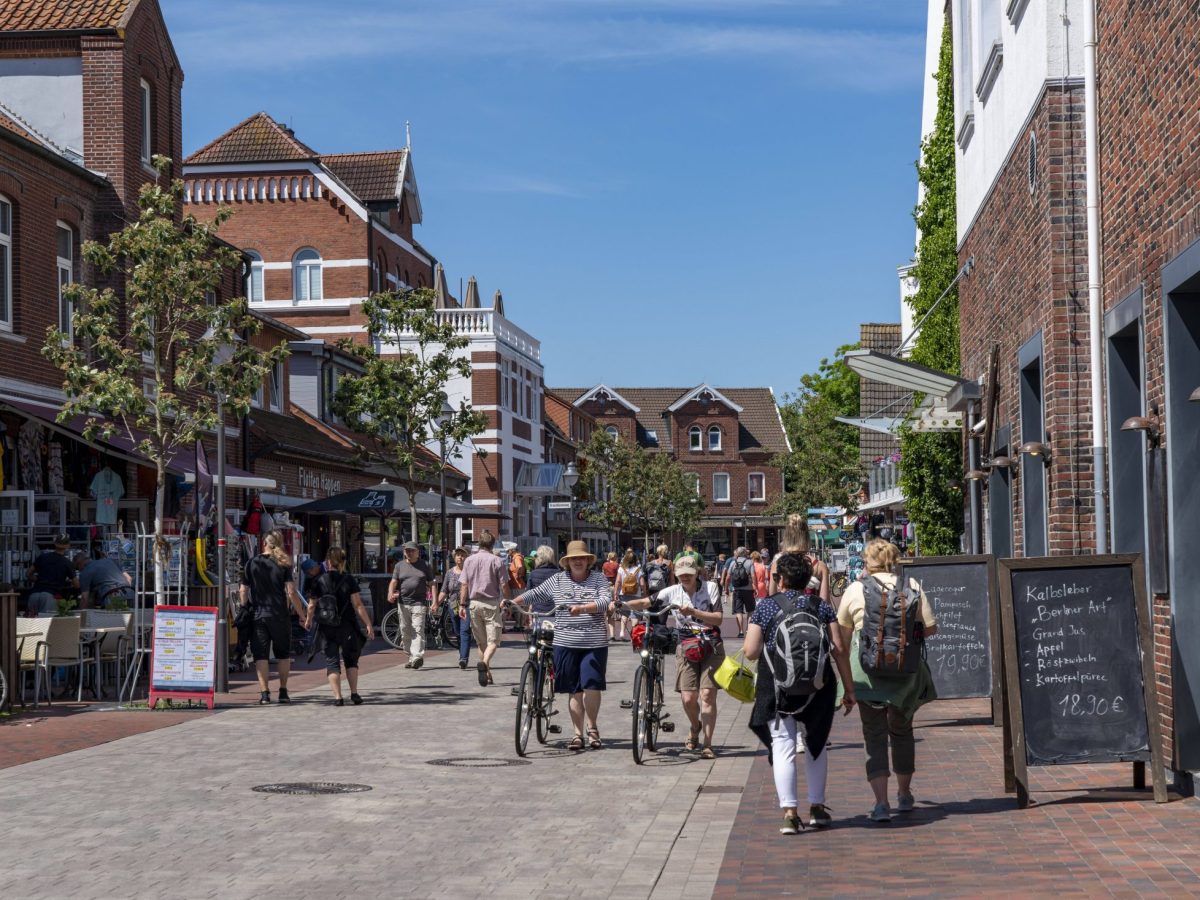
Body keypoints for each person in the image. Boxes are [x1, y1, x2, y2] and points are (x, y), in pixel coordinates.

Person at [744, 553, 855, 834]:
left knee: (783, 745)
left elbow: (750, 651)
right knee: (816, 744)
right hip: (818, 685)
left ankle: (790, 813)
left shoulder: (767, 607)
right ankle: (817, 807)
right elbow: (839, 649)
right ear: (808, 580)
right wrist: (849, 690)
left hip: (777, 686)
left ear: (779, 580)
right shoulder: (821, 606)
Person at [836, 539, 938, 822]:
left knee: (874, 735)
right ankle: (904, 795)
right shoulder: (912, 586)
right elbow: (931, 628)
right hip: (905, 674)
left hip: (867, 675)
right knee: (903, 731)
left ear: (867, 561)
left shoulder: (856, 589)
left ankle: (881, 803)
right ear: (894, 560)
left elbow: (841, 639)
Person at [511, 540, 613, 750]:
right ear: (567, 562)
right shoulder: (557, 579)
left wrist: (583, 608)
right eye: (573, 558)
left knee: (591, 687)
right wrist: (514, 602)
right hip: (565, 641)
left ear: (588, 561)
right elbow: (536, 593)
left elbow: (605, 600)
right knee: (573, 689)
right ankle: (577, 734)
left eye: (581, 558)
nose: (578, 561)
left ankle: (592, 728)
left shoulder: (598, 579)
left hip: (593, 641)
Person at [636, 556, 724, 758]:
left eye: (689, 574)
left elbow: (718, 618)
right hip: (686, 646)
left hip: (711, 644)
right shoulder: (672, 591)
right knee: (688, 697)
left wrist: (694, 611)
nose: (685, 577)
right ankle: (695, 727)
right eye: (681, 574)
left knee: (708, 695)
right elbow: (646, 601)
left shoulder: (710, 588)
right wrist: (619, 604)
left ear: (697, 573)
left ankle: (708, 745)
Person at [239, 530, 307, 704]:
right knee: (283, 654)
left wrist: (245, 607)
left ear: (264, 543)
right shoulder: (283, 564)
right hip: (280, 615)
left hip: (258, 615)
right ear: (279, 543)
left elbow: (243, 590)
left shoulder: (251, 563)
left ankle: (264, 694)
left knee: (260, 655)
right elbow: (291, 592)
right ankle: (283, 692)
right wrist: (302, 615)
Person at [303, 547, 373, 706]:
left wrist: (308, 620)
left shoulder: (319, 581)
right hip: (347, 624)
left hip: (327, 626)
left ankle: (338, 697)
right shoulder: (348, 579)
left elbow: (312, 605)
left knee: (332, 661)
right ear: (343, 562)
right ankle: (354, 694)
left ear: (328, 562)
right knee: (351, 660)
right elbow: (358, 604)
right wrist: (368, 624)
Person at [459, 530, 511, 686]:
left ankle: (487, 673)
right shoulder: (497, 561)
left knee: (482, 642)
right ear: (493, 544)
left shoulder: (469, 561)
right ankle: (485, 662)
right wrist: (508, 601)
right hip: (491, 603)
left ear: (479, 543)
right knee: (494, 640)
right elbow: (504, 585)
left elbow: (464, 584)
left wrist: (462, 604)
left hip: (473, 604)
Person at [388, 541, 433, 670]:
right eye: (407, 550)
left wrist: (434, 601)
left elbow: (432, 583)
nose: (409, 553)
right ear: (404, 552)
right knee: (405, 631)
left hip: (419, 603)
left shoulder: (425, 565)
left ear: (418, 552)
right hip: (403, 603)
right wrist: (390, 593)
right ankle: (411, 656)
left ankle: (417, 656)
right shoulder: (399, 566)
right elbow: (393, 581)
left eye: (412, 550)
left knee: (417, 629)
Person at [773, 513, 830, 602]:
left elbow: (772, 597)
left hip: (784, 613)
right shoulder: (820, 566)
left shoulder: (777, 564)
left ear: (786, 537)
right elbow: (825, 602)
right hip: (810, 613)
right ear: (807, 537)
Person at [26, 534, 77, 616]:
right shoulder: (67, 563)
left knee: (32, 625)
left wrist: (38, 579)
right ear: (68, 546)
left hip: (34, 594)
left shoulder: (43, 557)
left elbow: (28, 573)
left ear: (55, 543)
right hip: (50, 596)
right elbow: (77, 584)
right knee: (47, 625)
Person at [438, 547, 471, 670]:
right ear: (454, 557)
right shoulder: (449, 573)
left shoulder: (469, 571)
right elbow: (444, 590)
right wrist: (436, 603)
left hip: (467, 605)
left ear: (466, 557)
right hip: (453, 606)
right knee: (457, 632)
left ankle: (463, 659)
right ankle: (462, 654)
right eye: (458, 555)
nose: (460, 557)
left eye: (462, 555)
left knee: (465, 631)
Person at [611, 549, 644, 642]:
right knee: (635, 615)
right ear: (635, 559)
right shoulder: (638, 569)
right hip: (636, 595)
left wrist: (615, 593)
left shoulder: (621, 569)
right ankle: (634, 635)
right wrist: (644, 593)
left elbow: (617, 581)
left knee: (624, 614)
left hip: (623, 594)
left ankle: (621, 632)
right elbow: (642, 583)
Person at [723, 547, 755, 638]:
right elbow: (753, 576)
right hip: (748, 589)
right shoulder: (750, 562)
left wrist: (726, 588)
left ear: (737, 553)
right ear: (745, 553)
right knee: (750, 610)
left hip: (737, 589)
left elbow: (728, 577)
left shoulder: (733, 563)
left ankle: (740, 631)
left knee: (738, 611)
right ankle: (748, 630)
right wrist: (755, 586)